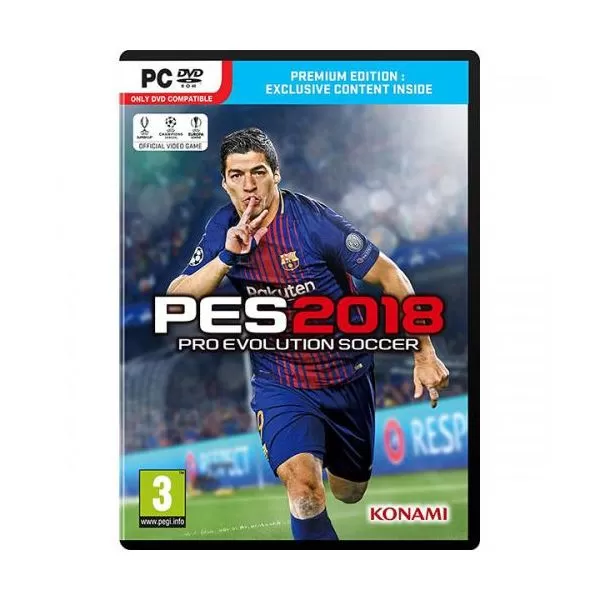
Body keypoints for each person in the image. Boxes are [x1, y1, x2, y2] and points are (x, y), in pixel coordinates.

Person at [167, 127, 449, 541]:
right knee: (305, 493)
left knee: (349, 491)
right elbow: (177, 299)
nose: (248, 186)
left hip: (347, 377)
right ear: (224, 183)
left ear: (276, 175)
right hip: (282, 382)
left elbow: (391, 276)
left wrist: (424, 352)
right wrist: (226, 256)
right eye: (236, 175)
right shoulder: (221, 228)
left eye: (258, 172)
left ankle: (335, 456)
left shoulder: (313, 223)